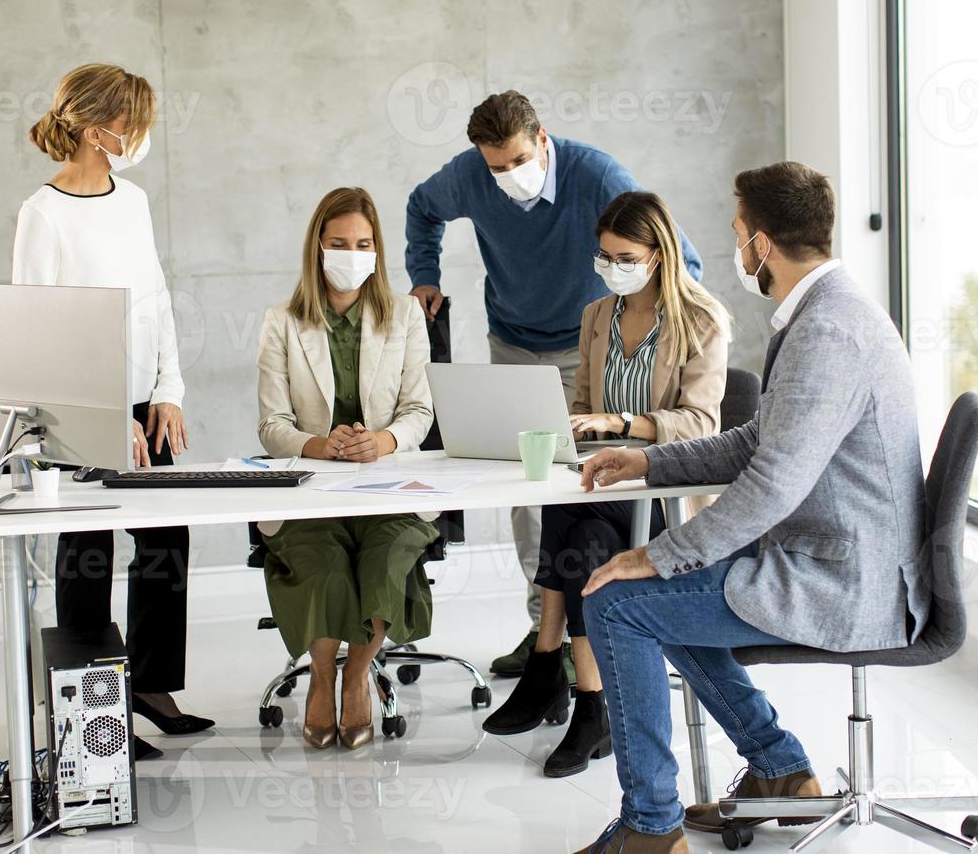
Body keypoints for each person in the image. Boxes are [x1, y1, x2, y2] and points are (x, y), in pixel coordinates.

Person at [568, 162, 932, 854]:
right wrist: (648, 460)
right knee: (650, 593)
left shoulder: (829, 332)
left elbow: (773, 484)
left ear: (762, 245)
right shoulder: (829, 311)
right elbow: (759, 440)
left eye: (739, 233)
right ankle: (779, 768)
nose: (735, 249)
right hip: (833, 554)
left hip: (846, 581)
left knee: (617, 602)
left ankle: (652, 830)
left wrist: (659, 552)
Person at [405, 90, 704, 679]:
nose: (508, 176)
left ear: (542, 140)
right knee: (528, 488)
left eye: (518, 161)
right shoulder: (470, 176)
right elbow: (422, 206)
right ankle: (546, 626)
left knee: (584, 489)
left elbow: (679, 259)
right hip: (513, 340)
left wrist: (649, 336)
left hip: (587, 343)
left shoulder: (596, 175)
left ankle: (595, 631)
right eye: (496, 168)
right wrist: (424, 275)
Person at [480, 192, 730, 780]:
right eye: (605, 255)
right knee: (581, 529)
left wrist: (623, 425)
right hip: (601, 482)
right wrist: (574, 427)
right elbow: (582, 406)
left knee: (577, 526)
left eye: (625, 256)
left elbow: (703, 424)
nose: (612, 266)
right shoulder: (598, 317)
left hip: (661, 493)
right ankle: (590, 704)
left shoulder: (701, 319)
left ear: (659, 255)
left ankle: (552, 670)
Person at [13, 63, 211, 762]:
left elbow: (156, 299)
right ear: (100, 130)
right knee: (87, 553)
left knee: (166, 540)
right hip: (80, 410)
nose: (145, 134)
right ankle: (96, 717)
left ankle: (150, 687)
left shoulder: (133, 200)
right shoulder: (42, 214)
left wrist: (168, 392)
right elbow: (38, 331)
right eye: (137, 122)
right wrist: (99, 413)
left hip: (143, 404)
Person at [256, 187, 437, 751]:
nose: (351, 254)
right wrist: (317, 444)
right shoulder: (282, 321)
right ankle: (323, 676)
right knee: (323, 563)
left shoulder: (404, 313)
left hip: (389, 484)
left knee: (383, 561)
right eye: (339, 243)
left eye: (363, 244)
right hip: (313, 485)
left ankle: (357, 677)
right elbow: (271, 424)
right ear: (318, 248)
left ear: (377, 250)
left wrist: (381, 440)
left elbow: (420, 411)